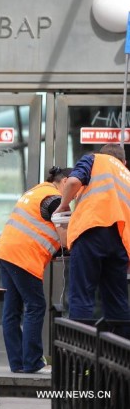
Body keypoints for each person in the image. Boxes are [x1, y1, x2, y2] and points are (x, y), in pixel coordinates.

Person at [0, 166, 72, 374]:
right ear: (64, 182)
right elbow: (66, 238)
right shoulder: (55, 199)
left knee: (12, 309)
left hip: (6, 251)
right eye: (75, 188)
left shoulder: (37, 191)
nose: (75, 194)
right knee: (35, 305)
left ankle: (18, 363)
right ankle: (34, 362)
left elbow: (38, 226)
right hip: (23, 257)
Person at [53, 144, 130, 337]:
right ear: (124, 162)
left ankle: (81, 361)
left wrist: (63, 205)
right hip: (120, 240)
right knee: (118, 301)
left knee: (82, 296)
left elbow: (72, 183)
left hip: (91, 231)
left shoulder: (95, 159)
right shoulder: (127, 176)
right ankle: (120, 360)